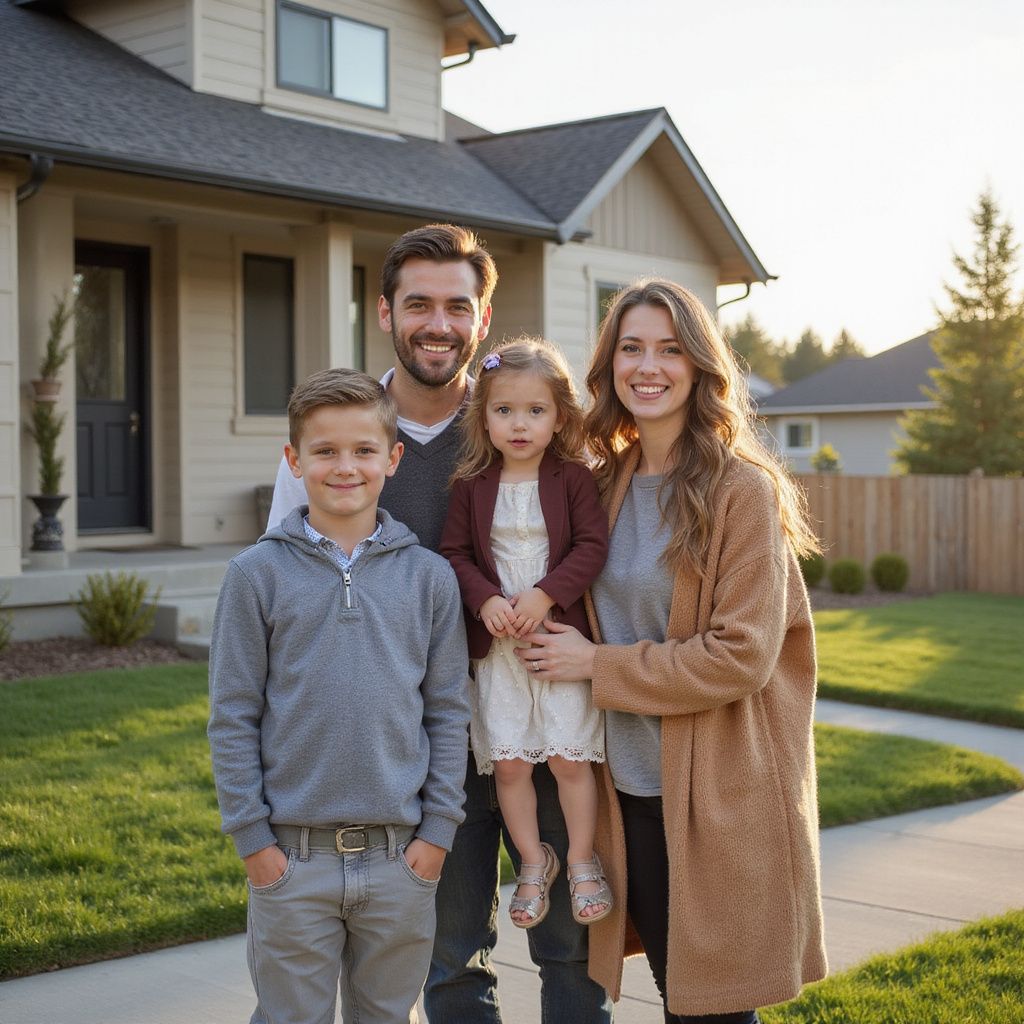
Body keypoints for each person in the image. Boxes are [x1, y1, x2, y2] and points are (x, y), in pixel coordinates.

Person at [265, 224, 613, 1023]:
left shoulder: (519, 422)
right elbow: (293, 593)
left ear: (483, 321)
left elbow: (597, 554)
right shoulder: (348, 434)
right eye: (418, 303)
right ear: (384, 312)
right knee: (451, 959)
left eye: (458, 306)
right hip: (421, 746)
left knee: (569, 948)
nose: (438, 323)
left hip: (540, 708)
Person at [515, 279, 828, 1022]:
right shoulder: (605, 483)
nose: (647, 366)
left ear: (699, 366)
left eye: (669, 349)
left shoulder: (740, 489)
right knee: (673, 990)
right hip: (630, 792)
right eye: (631, 348)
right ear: (610, 365)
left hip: (719, 795)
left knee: (713, 1008)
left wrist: (597, 665)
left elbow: (740, 656)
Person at [208, 368, 471, 1024]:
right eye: (324, 451)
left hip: (398, 860)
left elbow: (447, 710)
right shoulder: (255, 576)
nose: (344, 466)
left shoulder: (430, 579)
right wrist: (254, 843)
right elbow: (233, 714)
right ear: (294, 461)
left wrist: (436, 835)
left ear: (393, 458)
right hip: (292, 861)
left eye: (362, 450)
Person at [440, 338, 611, 932]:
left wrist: (544, 596)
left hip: (556, 642)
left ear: (560, 416)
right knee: (509, 765)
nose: (518, 424)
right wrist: (485, 598)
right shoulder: (471, 482)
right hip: (500, 652)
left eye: (535, 411)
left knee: (567, 757)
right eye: (503, 410)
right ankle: (535, 862)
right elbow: (454, 553)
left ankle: (583, 859)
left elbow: (592, 546)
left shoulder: (573, 478)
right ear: (483, 416)